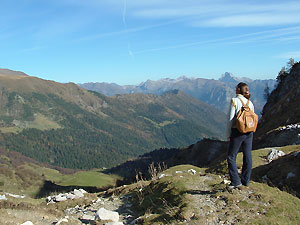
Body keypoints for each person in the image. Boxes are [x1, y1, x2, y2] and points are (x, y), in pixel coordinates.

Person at [226, 82, 255, 189]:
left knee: (231, 156)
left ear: (238, 90)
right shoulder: (250, 103)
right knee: (248, 155)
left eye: (236, 88)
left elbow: (230, 119)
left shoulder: (235, 101)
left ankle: (235, 181)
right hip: (249, 132)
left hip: (237, 132)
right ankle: (246, 180)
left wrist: (228, 133)